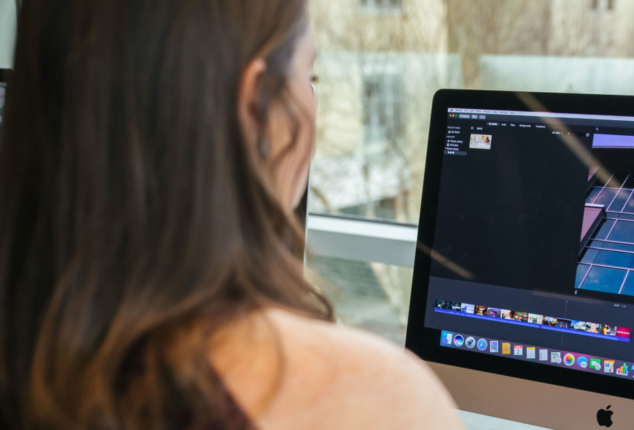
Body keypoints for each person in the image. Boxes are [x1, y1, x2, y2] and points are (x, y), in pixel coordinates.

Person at [0, 1, 465, 429]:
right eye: (310, 75)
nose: (313, 98)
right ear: (255, 104)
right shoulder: (375, 399)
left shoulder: (34, 353)